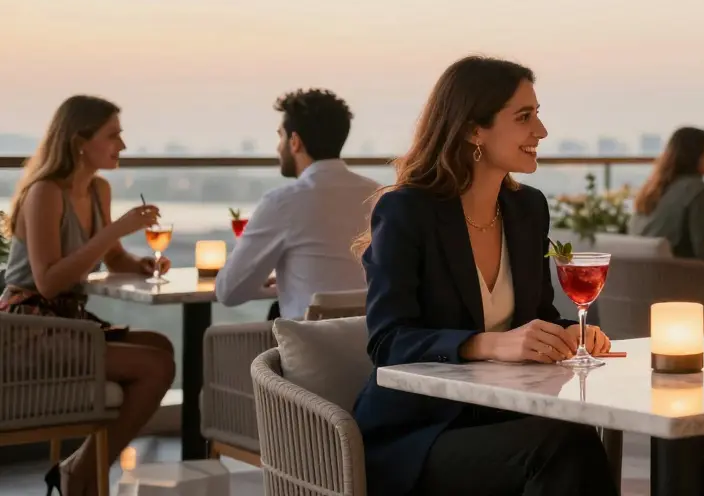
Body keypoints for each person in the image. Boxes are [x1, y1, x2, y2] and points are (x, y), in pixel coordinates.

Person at [350, 56, 617, 496]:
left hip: (502, 413)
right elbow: (387, 342)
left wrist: (572, 334)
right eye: (524, 117)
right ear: (475, 130)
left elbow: (538, 314)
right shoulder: (406, 212)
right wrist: (488, 343)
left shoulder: (527, 210)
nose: (542, 132)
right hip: (420, 432)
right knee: (560, 446)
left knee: (573, 436)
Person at [1, 96, 175, 496]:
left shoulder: (98, 189)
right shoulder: (45, 192)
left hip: (68, 322)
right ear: (80, 140)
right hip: (27, 325)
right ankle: (84, 474)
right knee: (154, 367)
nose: (122, 145)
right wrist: (116, 231)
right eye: (113, 135)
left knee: (160, 347)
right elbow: (48, 282)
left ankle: (80, 467)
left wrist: (142, 265)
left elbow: (111, 257)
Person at [215, 89, 378, 320]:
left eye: (280, 136)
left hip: (309, 351)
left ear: (294, 142)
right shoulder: (378, 194)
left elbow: (228, 292)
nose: (278, 148)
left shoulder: (283, 202)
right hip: (375, 347)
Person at [630, 127, 704, 258]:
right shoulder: (698, 190)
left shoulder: (651, 191)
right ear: (695, 156)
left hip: (645, 275)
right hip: (682, 276)